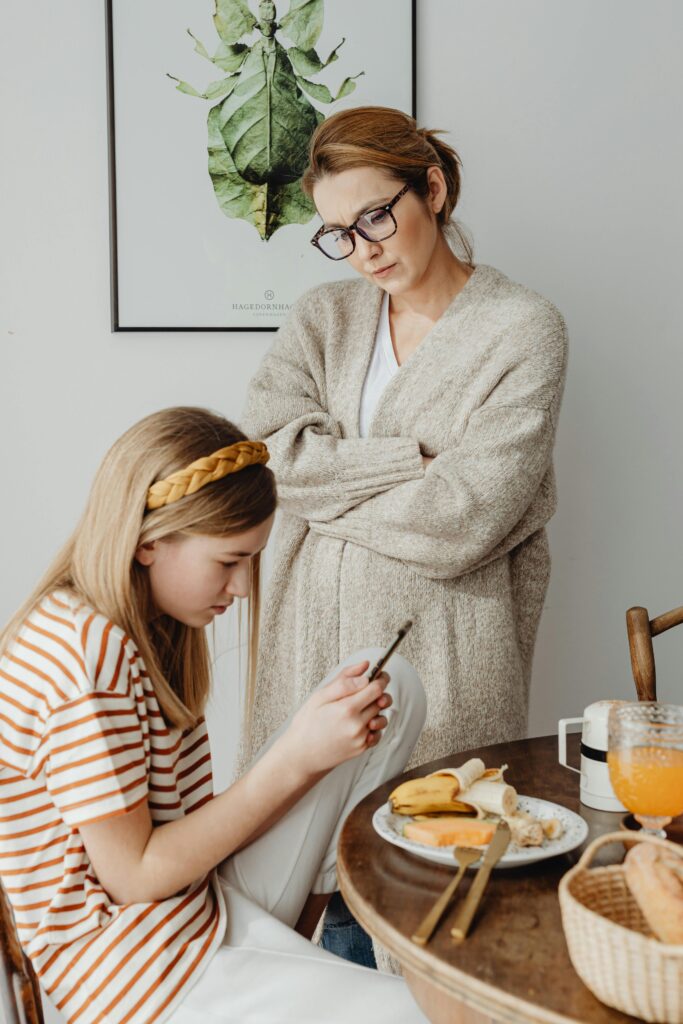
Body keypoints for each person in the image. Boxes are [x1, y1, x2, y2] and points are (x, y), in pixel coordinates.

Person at [240, 106, 568, 960]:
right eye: (339, 233)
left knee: (426, 915)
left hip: (446, 655)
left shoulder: (522, 329)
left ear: (434, 187)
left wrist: (333, 480)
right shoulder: (323, 318)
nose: (364, 248)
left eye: (377, 216)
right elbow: (274, 455)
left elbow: (465, 518)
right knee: (295, 915)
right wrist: (403, 462)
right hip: (309, 647)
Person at [0, 406, 428, 1024]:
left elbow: (178, 839)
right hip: (121, 973)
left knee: (387, 682)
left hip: (189, 911)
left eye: (252, 559)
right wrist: (296, 759)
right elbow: (134, 877)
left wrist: (311, 759)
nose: (244, 587)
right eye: (228, 561)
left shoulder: (150, 626)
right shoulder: (83, 650)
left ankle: (298, 956)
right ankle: (290, 969)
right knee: (425, 1012)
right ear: (149, 542)